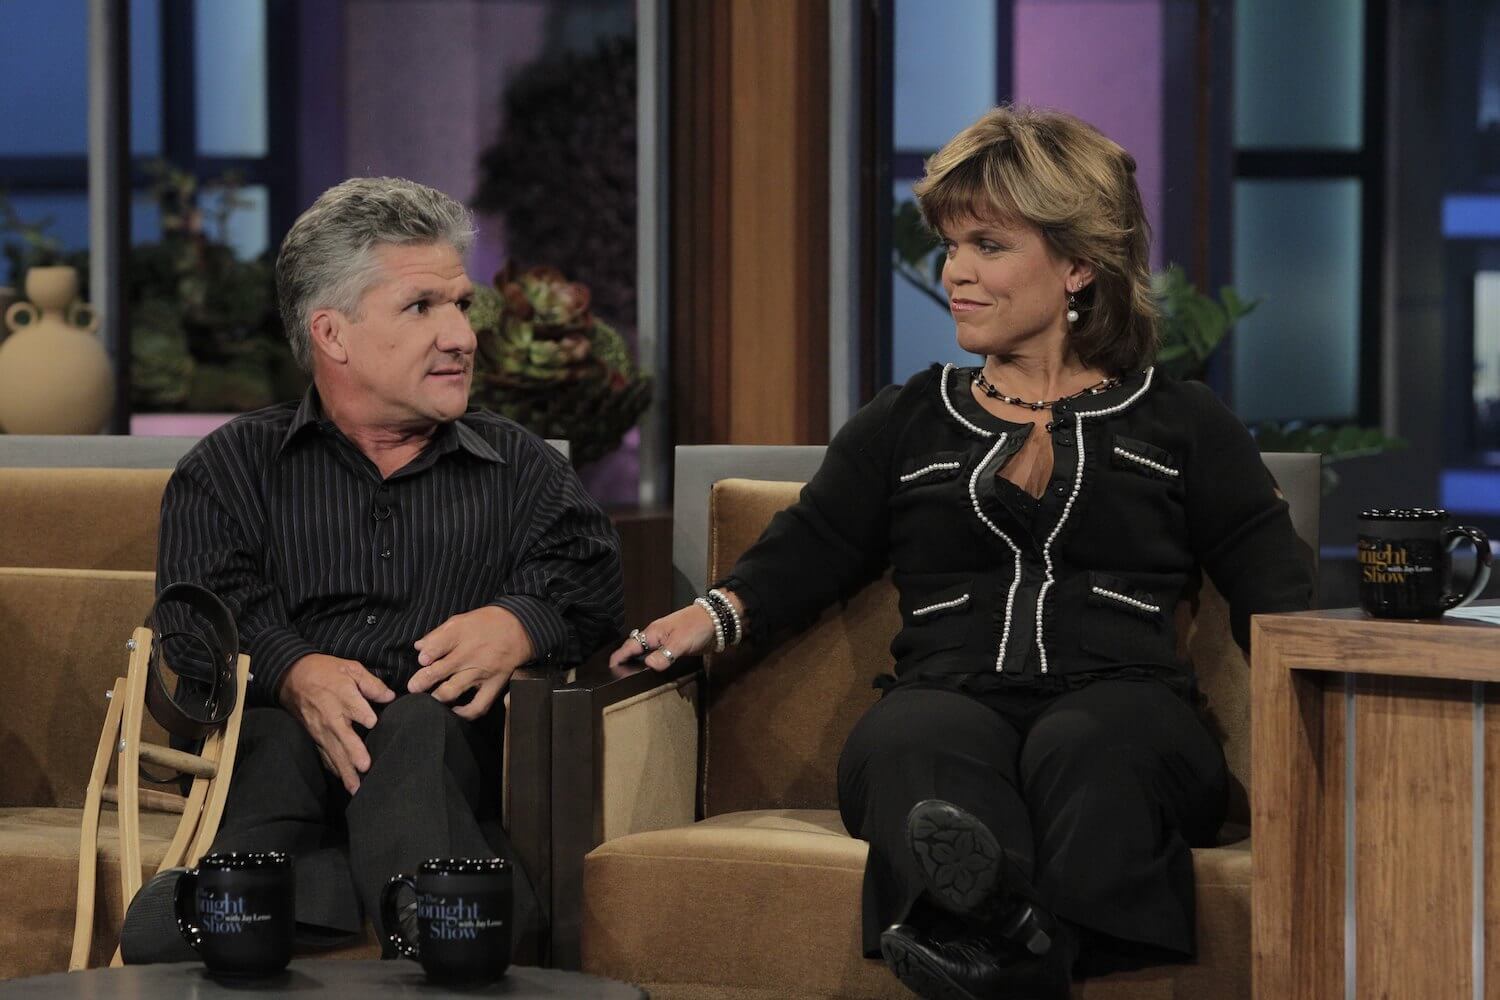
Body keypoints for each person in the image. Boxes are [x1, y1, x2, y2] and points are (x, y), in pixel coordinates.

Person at [610, 106, 1313, 999]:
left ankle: (992, 948)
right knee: (917, 739)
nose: (956, 275)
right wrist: (706, 617)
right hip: (946, 692)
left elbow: (1272, 586)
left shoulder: (1182, 423)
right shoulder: (908, 416)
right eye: (951, 247)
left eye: (987, 245)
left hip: (1128, 705)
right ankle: (1018, 948)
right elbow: (810, 546)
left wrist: (1335, 727)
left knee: (1090, 748)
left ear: (1077, 264)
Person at [124, 176, 624, 959]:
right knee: (279, 740)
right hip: (277, 777)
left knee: (417, 725)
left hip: (442, 778)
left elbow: (594, 586)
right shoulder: (229, 469)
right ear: (333, 334)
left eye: (461, 305)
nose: (461, 335)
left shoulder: (521, 470)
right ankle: (442, 916)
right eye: (422, 307)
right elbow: (195, 624)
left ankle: (227, 909)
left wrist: (522, 621)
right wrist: (293, 671)